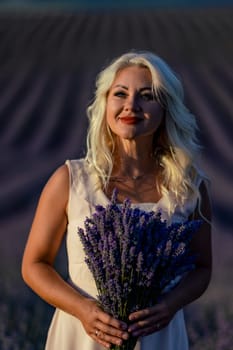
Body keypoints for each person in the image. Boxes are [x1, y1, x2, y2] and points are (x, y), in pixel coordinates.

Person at [22, 51, 212, 350]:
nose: (130, 106)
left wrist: (169, 305)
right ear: (105, 103)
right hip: (83, 335)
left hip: (158, 337)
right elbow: (34, 264)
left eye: (146, 96)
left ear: (166, 108)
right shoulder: (71, 179)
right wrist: (83, 310)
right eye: (120, 93)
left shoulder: (188, 187)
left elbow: (202, 267)